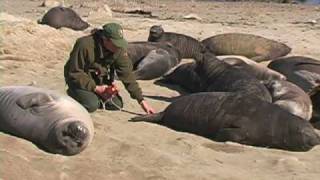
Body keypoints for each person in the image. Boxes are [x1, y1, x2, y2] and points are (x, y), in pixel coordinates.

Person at [64, 22, 155, 114]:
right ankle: (74, 94)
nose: (118, 47)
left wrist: (142, 101)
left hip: (99, 81)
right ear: (105, 39)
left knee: (116, 104)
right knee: (91, 105)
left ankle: (92, 97)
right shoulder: (84, 45)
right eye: (115, 43)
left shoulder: (118, 49)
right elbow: (74, 72)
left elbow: (127, 75)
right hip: (79, 80)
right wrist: (95, 88)